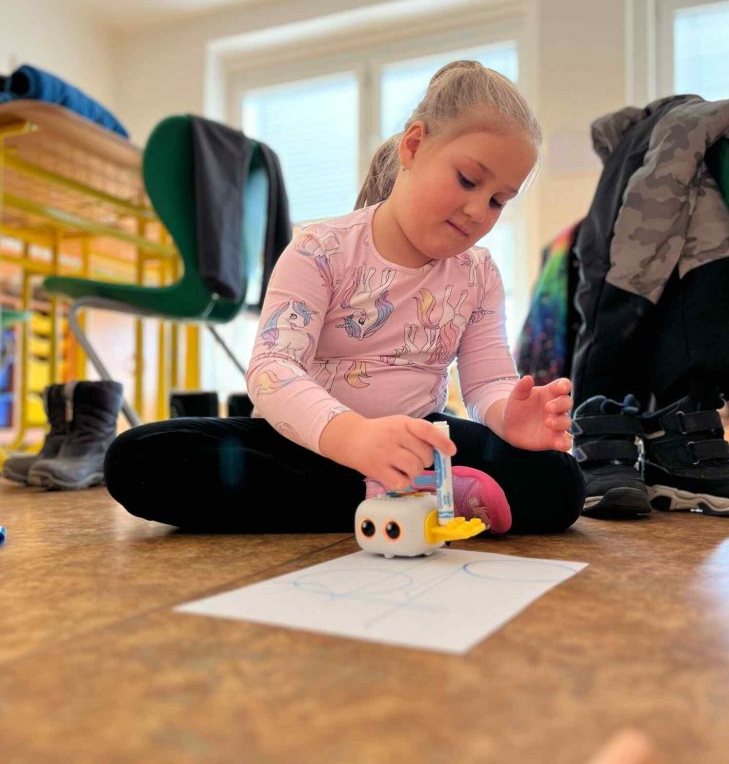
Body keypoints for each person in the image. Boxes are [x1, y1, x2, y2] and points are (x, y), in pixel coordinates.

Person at [105, 60, 585, 533]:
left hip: (416, 440)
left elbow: (488, 381)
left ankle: (396, 494)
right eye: (467, 180)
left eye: (499, 201)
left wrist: (507, 415)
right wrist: (352, 437)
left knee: (560, 483)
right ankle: (411, 497)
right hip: (306, 441)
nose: (479, 210)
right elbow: (272, 368)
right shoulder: (321, 248)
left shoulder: (478, 273)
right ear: (414, 146)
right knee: (138, 459)